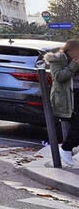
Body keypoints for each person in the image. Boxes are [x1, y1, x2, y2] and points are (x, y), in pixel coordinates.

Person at [43, 38, 79, 169]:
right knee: (77, 125)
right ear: (70, 50)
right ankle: (65, 148)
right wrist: (73, 65)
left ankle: (68, 148)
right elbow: (58, 77)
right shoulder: (57, 59)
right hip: (66, 97)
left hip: (77, 95)